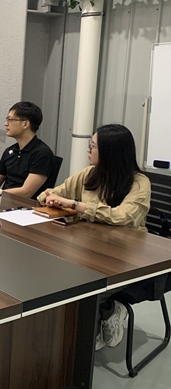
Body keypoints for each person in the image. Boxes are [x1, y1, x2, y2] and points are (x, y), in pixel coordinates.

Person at [38, 124, 151, 349]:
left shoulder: (139, 183)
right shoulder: (89, 173)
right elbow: (53, 192)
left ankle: (107, 312)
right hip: (90, 247)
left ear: (110, 152)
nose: (88, 150)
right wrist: (50, 197)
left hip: (125, 256)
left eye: (93, 146)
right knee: (55, 277)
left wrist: (76, 205)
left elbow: (123, 216)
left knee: (80, 290)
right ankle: (95, 322)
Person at [0, 101, 55, 199]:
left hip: (26, 205)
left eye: (10, 119)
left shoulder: (42, 153)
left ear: (25, 124)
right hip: (5, 200)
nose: (6, 124)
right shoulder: (10, 151)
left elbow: (26, 192)